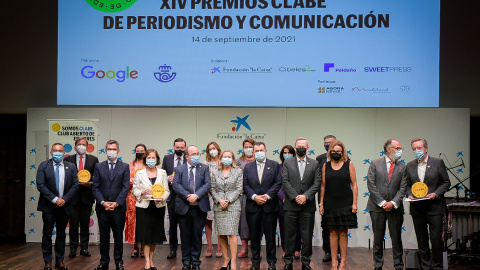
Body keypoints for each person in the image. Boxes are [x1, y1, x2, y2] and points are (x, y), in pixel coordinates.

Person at [406, 138, 451, 270]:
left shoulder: (438, 162)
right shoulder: (410, 165)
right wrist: (409, 194)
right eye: (414, 149)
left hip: (435, 208)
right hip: (417, 208)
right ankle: (425, 266)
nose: (416, 151)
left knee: (436, 240)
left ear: (426, 148)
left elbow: (446, 183)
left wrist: (436, 193)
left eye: (419, 148)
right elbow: (408, 185)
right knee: (422, 240)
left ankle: (437, 267)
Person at [36, 143, 79, 270]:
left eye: (60, 150)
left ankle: (59, 261)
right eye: (55, 150)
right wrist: (54, 199)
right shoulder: (44, 165)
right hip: (49, 206)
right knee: (47, 234)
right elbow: (40, 185)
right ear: (51, 152)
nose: (57, 152)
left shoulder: (70, 166)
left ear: (64, 153)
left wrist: (63, 200)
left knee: (61, 234)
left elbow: (75, 185)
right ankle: (47, 262)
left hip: (64, 206)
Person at [367, 139, 407, 270]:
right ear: (389, 149)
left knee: (396, 239)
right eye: (398, 148)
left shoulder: (403, 167)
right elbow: (371, 185)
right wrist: (383, 203)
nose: (400, 150)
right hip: (377, 207)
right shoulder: (375, 163)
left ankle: (399, 265)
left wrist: (393, 203)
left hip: (395, 208)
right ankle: (378, 266)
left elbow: (403, 188)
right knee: (377, 239)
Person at [282, 137, 321, 270]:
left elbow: (317, 183)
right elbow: (285, 182)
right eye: (298, 146)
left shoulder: (315, 164)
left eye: (303, 146)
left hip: (307, 206)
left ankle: (306, 262)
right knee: (289, 235)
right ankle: (288, 262)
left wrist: (306, 196)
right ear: (295, 147)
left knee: (307, 235)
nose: (301, 148)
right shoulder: (287, 163)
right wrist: (295, 196)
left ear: (307, 148)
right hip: (291, 205)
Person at [319, 140, 358, 270]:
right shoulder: (326, 165)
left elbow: (354, 185)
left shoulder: (349, 164)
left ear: (343, 152)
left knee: (343, 233)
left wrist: (354, 203)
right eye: (334, 151)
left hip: (345, 202)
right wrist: (321, 204)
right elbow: (323, 186)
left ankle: (343, 262)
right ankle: (334, 262)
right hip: (330, 202)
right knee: (332, 233)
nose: (336, 153)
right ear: (330, 152)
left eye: (338, 151)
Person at [243, 142, 282, 270]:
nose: (259, 152)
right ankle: (255, 262)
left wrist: (267, 196)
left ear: (266, 150)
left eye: (261, 150)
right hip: (253, 206)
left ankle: (271, 262)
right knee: (254, 236)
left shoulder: (274, 165)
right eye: (256, 150)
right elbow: (245, 185)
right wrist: (254, 197)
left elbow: (278, 182)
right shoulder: (248, 167)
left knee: (270, 236)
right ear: (253, 152)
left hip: (269, 206)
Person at [92, 140, 130, 270]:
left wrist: (116, 203)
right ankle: (104, 262)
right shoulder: (98, 166)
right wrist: (103, 202)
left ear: (118, 151)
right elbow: (95, 187)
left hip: (118, 208)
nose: (111, 151)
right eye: (109, 149)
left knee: (118, 236)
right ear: (105, 150)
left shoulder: (124, 166)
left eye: (114, 149)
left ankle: (119, 262)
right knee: (104, 237)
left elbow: (125, 188)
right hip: (102, 208)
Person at [173, 145, 211, 270]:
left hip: (199, 207)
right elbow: (176, 185)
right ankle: (185, 261)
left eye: (197, 153)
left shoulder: (204, 168)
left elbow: (207, 184)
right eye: (193, 154)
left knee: (197, 235)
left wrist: (197, 195)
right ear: (187, 156)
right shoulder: (179, 169)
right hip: (184, 207)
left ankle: (195, 262)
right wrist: (188, 196)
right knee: (185, 235)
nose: (196, 156)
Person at [132, 149, 170, 270]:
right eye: (149, 158)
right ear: (145, 159)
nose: (151, 160)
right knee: (145, 235)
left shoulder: (163, 173)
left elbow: (167, 191)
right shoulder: (139, 173)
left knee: (154, 235)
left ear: (157, 159)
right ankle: (147, 262)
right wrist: (142, 192)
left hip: (158, 207)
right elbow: (134, 190)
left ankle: (152, 260)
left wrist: (162, 198)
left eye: (153, 158)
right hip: (144, 207)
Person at [65, 137, 98, 258]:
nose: (81, 146)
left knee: (85, 224)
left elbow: (96, 177)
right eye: (79, 144)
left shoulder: (93, 159)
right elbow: (66, 177)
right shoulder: (68, 159)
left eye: (83, 144)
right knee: (73, 224)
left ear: (87, 146)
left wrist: (91, 182)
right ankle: (73, 249)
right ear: (75, 146)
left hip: (87, 196)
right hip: (72, 197)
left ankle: (84, 248)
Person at [210, 150, 243, 270]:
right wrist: (219, 200)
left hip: (233, 205)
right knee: (222, 233)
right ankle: (226, 260)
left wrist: (228, 200)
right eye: (225, 156)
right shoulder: (215, 172)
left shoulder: (238, 171)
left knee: (232, 233)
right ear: (221, 158)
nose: (227, 158)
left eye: (229, 157)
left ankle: (233, 262)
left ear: (233, 159)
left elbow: (239, 188)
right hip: (219, 205)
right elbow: (212, 189)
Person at [162, 138, 187, 259]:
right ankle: (172, 249)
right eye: (177, 148)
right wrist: (168, 178)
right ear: (173, 147)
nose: (179, 150)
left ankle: (185, 250)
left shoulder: (189, 158)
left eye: (182, 148)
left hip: (185, 197)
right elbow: (162, 174)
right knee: (172, 225)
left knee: (185, 225)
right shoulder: (167, 158)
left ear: (185, 148)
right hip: (172, 196)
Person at [277, 145, 302, 259]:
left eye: (289, 152)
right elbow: (277, 185)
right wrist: (283, 197)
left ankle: (297, 249)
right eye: (285, 152)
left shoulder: (298, 166)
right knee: (284, 227)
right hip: (282, 202)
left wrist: (295, 197)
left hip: (296, 200)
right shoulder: (278, 167)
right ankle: (286, 249)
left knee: (297, 226)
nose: (287, 154)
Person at [315, 135, 337, 262]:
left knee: (339, 226)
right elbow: (318, 179)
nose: (328, 144)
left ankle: (338, 252)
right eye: (326, 143)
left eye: (331, 142)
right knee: (326, 225)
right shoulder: (319, 159)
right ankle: (327, 251)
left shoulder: (345, 158)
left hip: (340, 198)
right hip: (325, 197)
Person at [235, 138, 256, 258]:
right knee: (243, 222)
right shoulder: (238, 162)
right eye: (246, 146)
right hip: (242, 196)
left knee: (256, 222)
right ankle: (244, 248)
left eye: (250, 146)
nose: (248, 148)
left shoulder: (258, 160)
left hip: (256, 196)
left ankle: (256, 248)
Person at [202, 141, 223, 258]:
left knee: (219, 222)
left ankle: (219, 246)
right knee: (208, 221)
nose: (212, 150)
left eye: (214, 148)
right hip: (207, 196)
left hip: (221, 196)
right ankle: (209, 246)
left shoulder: (223, 162)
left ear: (218, 149)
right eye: (210, 149)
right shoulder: (204, 164)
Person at [126, 143, 147, 258]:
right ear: (135, 152)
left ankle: (144, 248)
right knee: (132, 222)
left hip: (145, 197)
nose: (140, 152)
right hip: (131, 197)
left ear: (145, 152)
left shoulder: (148, 166)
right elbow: (124, 182)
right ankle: (135, 247)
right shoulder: (129, 165)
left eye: (142, 150)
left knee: (143, 222)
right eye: (137, 150)